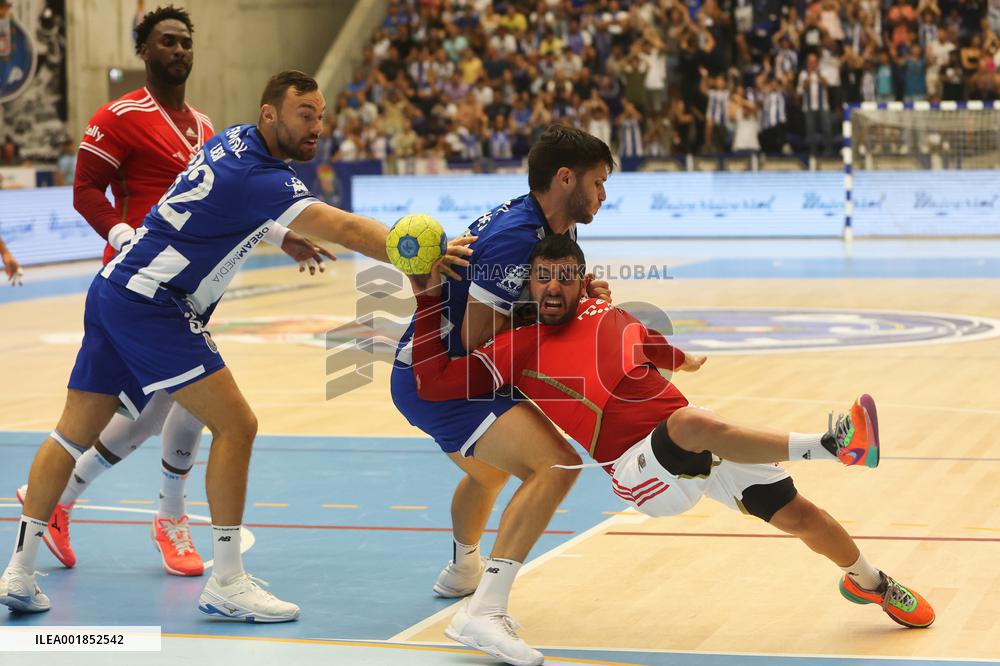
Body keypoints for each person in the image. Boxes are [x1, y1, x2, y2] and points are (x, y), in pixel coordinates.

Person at [0, 69, 471, 622]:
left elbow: (232, 206)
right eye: (304, 115)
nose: (316, 126)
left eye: (320, 116)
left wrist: (279, 234)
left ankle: (19, 571)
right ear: (270, 113)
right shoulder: (265, 179)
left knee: (72, 431)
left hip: (113, 288)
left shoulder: (230, 140)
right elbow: (343, 228)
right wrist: (417, 252)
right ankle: (227, 580)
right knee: (237, 425)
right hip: (156, 304)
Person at [409, 235, 936, 664]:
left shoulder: (604, 310)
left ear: (580, 282)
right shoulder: (516, 346)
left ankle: (872, 583)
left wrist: (680, 359)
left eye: (565, 277)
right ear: (529, 282)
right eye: (543, 276)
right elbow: (435, 384)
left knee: (805, 517)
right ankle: (832, 447)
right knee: (689, 421)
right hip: (640, 471)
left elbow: (644, 341)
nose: (552, 286)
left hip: (697, 444)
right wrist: (426, 297)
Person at [16, 6, 328, 579]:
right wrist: (117, 231)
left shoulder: (208, 127)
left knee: (153, 412)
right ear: (144, 50)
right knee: (180, 408)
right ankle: (165, 518)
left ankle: (62, 505)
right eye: (167, 42)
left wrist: (284, 237)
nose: (179, 51)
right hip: (142, 285)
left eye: (186, 43)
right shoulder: (118, 115)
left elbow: (235, 200)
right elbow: (85, 189)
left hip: (194, 286)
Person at [390, 124, 613, 665]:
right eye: (598, 182)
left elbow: (528, 303)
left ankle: (464, 569)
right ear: (565, 179)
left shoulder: (546, 225)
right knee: (554, 465)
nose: (604, 195)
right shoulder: (516, 236)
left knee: (489, 473)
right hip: (443, 374)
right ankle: (483, 614)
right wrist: (565, 315)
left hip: (447, 371)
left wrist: (574, 295)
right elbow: (476, 339)